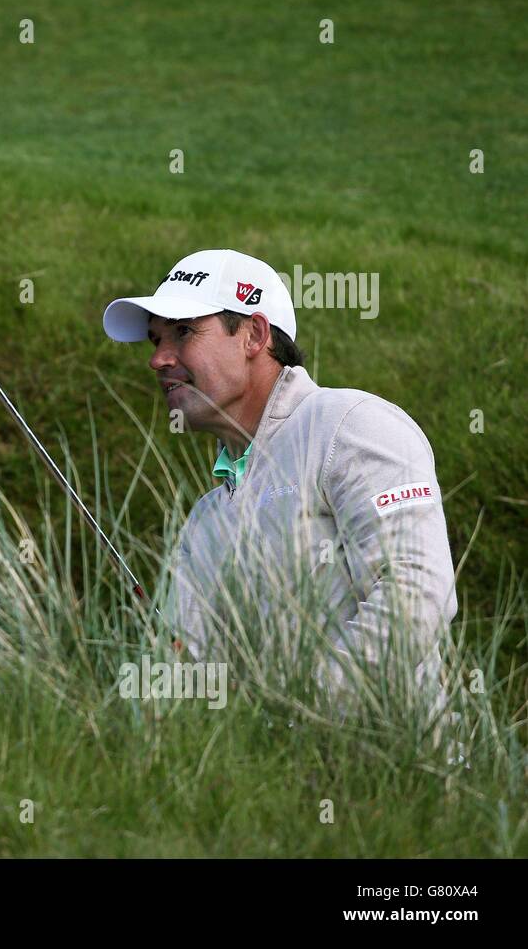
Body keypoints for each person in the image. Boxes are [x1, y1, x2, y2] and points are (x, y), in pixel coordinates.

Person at [102, 249, 457, 710]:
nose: (159, 359)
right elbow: (198, 680)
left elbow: (418, 595)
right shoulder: (205, 519)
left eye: (184, 332)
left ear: (254, 334)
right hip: (267, 781)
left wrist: (294, 713)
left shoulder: (349, 423)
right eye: (155, 341)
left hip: (402, 774)